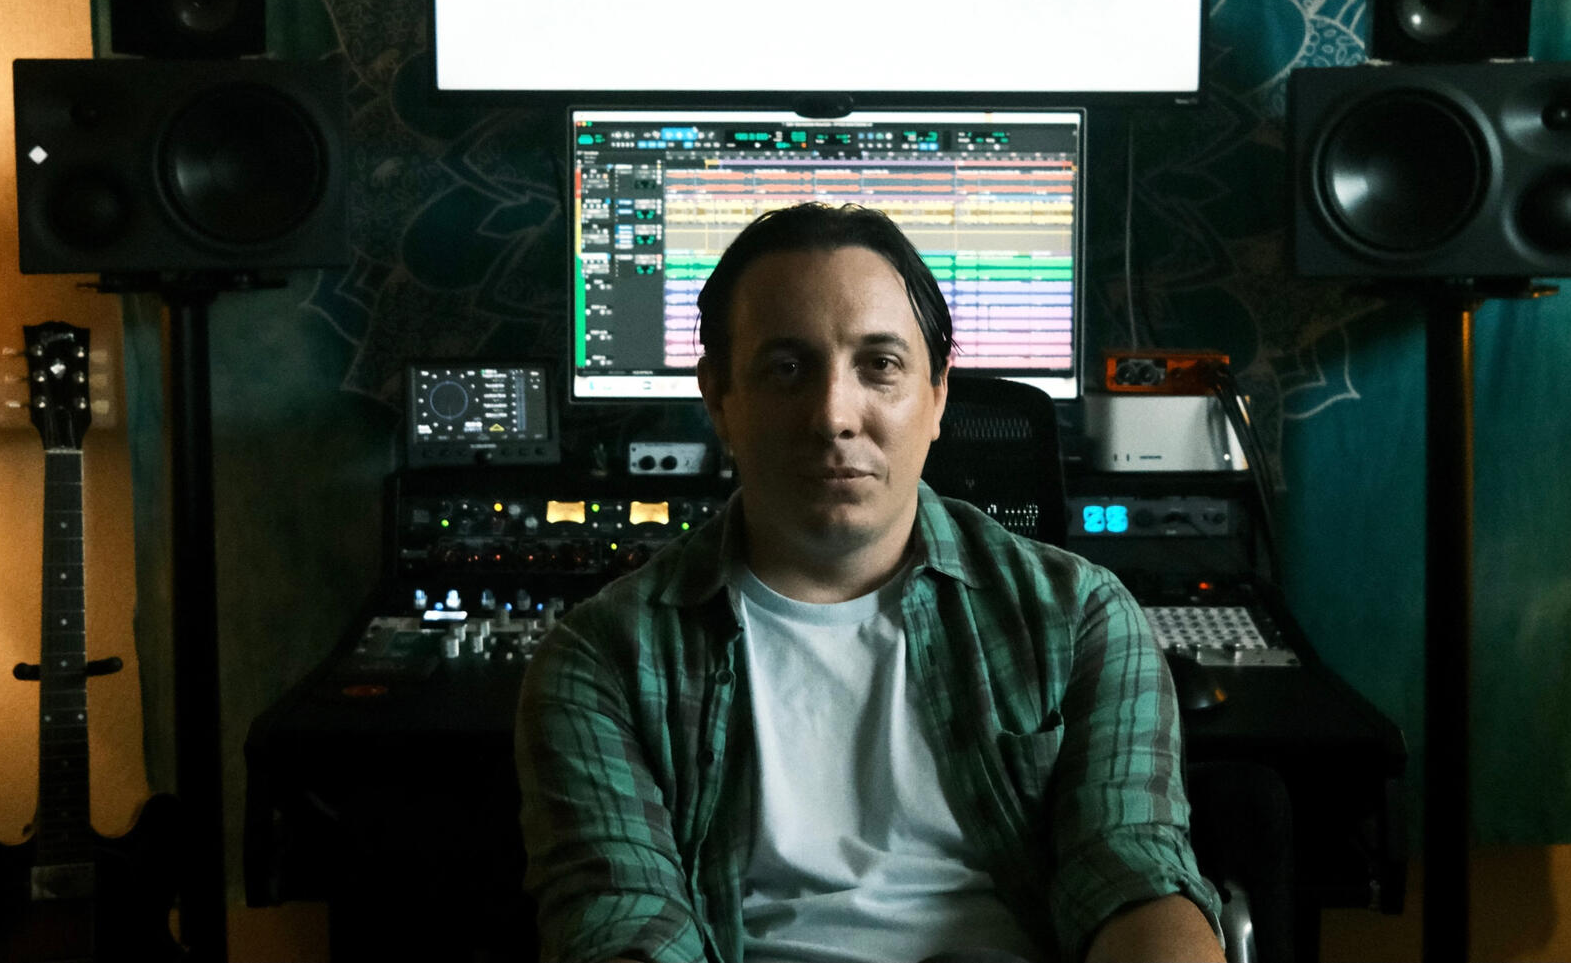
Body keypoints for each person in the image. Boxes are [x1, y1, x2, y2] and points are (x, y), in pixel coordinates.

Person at [515, 203, 1224, 963]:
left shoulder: (1080, 616)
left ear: (939, 393)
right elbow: (627, 923)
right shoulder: (600, 660)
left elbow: (1131, 875)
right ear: (719, 397)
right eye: (787, 368)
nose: (833, 416)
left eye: (880, 365)